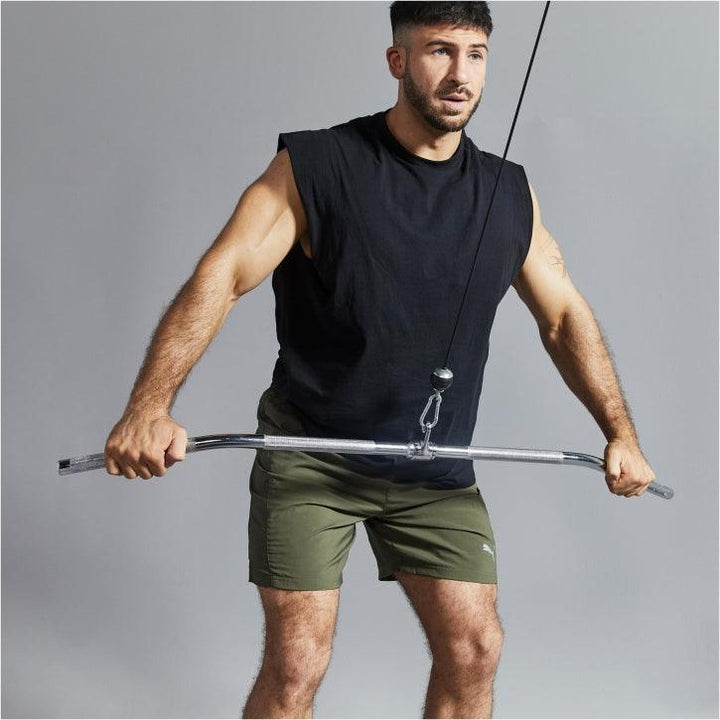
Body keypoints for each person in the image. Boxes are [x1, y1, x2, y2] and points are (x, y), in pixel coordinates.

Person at [104, 2, 657, 717]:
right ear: (398, 61)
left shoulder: (508, 191)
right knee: (298, 664)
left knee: (476, 648)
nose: (460, 74)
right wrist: (149, 407)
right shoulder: (317, 166)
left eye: (476, 54)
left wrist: (620, 432)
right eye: (439, 51)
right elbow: (224, 275)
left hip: (432, 468)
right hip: (314, 456)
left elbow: (563, 316)